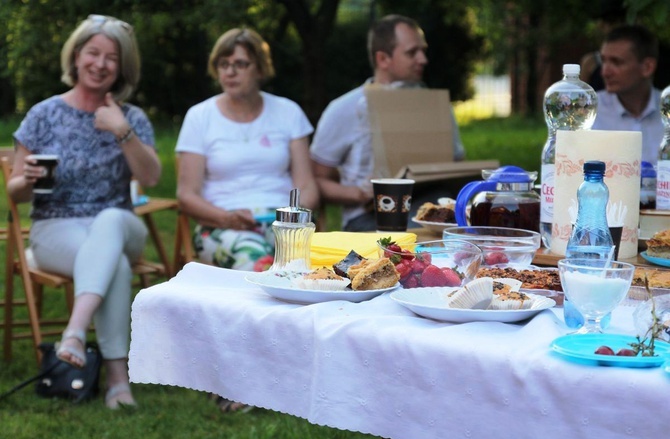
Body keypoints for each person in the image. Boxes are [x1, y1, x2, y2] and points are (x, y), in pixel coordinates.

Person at [8, 15, 161, 409]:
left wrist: (121, 130)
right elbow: (17, 192)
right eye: (93, 52)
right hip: (55, 227)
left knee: (109, 222)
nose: (100, 63)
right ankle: (116, 380)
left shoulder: (132, 118)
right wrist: (25, 180)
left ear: (121, 67)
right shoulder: (43, 115)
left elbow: (153, 177)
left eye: (111, 57)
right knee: (114, 267)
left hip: (122, 226)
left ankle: (74, 330)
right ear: (76, 56)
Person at [176, 28, 318, 273]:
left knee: (319, 264)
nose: (230, 72)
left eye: (240, 64)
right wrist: (226, 218)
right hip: (222, 224)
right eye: (223, 64)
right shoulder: (200, 116)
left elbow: (307, 186)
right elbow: (187, 195)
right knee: (257, 261)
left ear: (260, 69)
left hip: (282, 223)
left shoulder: (288, 112)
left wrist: (291, 223)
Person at [310, 14, 466, 232]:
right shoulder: (344, 108)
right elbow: (316, 179)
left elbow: (458, 167)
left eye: (423, 50)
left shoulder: (435, 106)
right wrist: (359, 193)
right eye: (412, 52)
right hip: (370, 219)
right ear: (383, 59)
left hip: (434, 213)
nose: (423, 59)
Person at [591, 24, 663, 166]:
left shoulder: (666, 109)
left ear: (647, 67)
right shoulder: (589, 111)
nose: (605, 72)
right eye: (603, 61)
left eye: (616, 62)